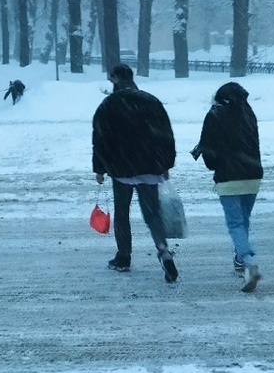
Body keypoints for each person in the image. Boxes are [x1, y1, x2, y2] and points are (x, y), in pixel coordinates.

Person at [92, 62, 179, 282]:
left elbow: (100, 139)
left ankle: (123, 257)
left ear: (116, 79)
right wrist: (166, 164)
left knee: (122, 214)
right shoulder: (150, 101)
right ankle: (163, 250)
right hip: (149, 168)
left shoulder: (109, 105)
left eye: (111, 78)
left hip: (121, 170)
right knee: (152, 213)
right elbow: (166, 135)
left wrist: (99, 168)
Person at [191, 81, 264, 293]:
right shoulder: (248, 113)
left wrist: (213, 162)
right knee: (243, 220)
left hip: (228, 177)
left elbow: (209, 150)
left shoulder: (215, 115)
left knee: (235, 223)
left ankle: (248, 261)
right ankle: (240, 260)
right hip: (253, 175)